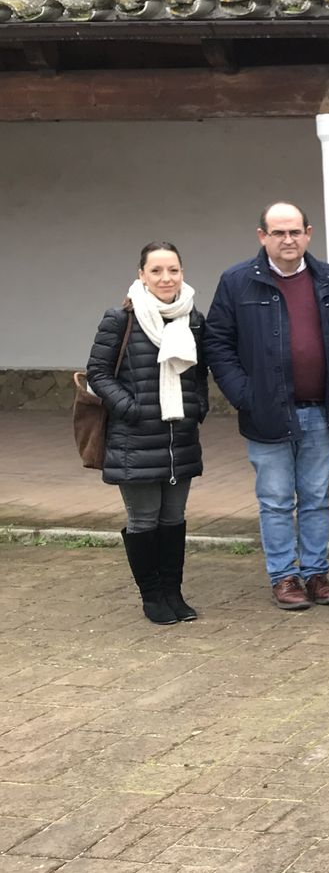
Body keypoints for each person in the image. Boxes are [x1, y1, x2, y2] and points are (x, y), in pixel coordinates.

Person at [206, 203, 329, 610]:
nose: (288, 240)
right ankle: (284, 577)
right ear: (262, 236)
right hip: (267, 412)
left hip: (320, 410)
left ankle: (315, 573)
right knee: (276, 500)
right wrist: (244, 396)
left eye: (295, 231)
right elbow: (218, 344)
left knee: (316, 498)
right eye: (278, 232)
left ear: (308, 233)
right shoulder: (237, 282)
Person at [86, 241, 208, 626]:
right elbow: (98, 373)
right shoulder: (120, 318)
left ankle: (174, 593)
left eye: (173, 270)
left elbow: (199, 373)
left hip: (179, 438)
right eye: (156, 270)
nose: (166, 278)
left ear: (182, 272)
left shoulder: (192, 319)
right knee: (144, 520)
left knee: (174, 518)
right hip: (134, 439)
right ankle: (152, 597)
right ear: (142, 275)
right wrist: (131, 408)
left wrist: (197, 406)